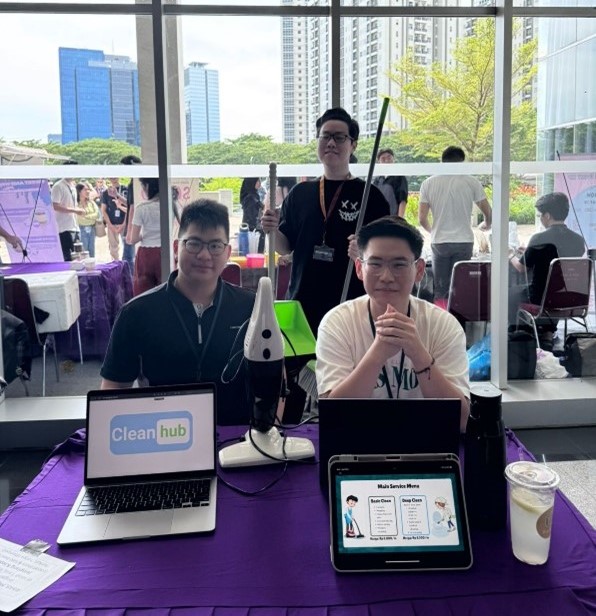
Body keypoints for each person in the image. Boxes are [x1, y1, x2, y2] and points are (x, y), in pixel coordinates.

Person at [101, 199, 255, 426]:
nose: (204, 255)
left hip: (237, 437)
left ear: (228, 252)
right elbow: (113, 389)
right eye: (194, 244)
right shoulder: (136, 313)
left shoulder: (251, 307)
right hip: (163, 437)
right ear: (176, 247)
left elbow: (274, 380)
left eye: (215, 246)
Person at [316, 216, 470, 430]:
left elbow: (461, 421)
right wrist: (377, 354)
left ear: (419, 270)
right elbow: (333, 419)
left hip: (427, 441)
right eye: (375, 264)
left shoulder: (443, 325)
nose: (386, 276)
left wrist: (418, 353)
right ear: (359, 268)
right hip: (357, 441)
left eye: (399, 265)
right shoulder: (337, 323)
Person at [261, 107, 390, 335]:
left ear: (353, 145)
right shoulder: (300, 193)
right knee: (302, 359)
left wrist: (364, 252)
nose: (331, 143)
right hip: (302, 305)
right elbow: (285, 247)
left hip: (351, 304)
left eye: (339, 137)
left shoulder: (370, 196)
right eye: (325, 136)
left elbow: (386, 252)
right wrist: (271, 231)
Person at [508, 192, 586, 347]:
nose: (541, 219)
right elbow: (558, 257)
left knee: (508, 295)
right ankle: (548, 332)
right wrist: (530, 251)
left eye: (540, 216)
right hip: (570, 298)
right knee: (553, 291)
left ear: (548, 215)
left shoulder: (539, 238)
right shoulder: (578, 240)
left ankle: (522, 335)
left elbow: (521, 268)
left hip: (540, 298)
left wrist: (510, 255)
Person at [418, 146, 492, 300]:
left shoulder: (428, 183)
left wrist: (433, 230)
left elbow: (422, 219)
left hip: (440, 241)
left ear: (442, 161)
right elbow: (488, 212)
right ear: (462, 161)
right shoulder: (471, 182)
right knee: (460, 287)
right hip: (464, 241)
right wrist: (486, 223)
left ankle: (441, 314)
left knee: (441, 289)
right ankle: (458, 315)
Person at [128, 177, 161, 296]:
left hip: (146, 253)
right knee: (166, 291)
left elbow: (133, 239)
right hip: (165, 251)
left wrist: (144, 235)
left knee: (143, 293)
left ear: (147, 187)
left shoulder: (142, 208)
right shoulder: (171, 205)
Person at [51, 163, 85, 261]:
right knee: (68, 258)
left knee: (78, 257)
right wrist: (75, 210)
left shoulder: (73, 186)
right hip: (64, 228)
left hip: (74, 226)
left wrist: (78, 210)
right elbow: (55, 205)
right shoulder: (58, 186)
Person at [120, 155, 142, 274]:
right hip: (136, 226)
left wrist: (129, 231)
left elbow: (133, 207)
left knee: (128, 259)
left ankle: (130, 281)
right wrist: (118, 196)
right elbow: (131, 204)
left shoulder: (134, 184)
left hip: (132, 226)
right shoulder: (139, 183)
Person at [373, 148, 408, 217]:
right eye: (383, 159)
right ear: (379, 162)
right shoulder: (377, 180)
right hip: (378, 218)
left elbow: (402, 200)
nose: (386, 161)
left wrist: (399, 219)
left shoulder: (399, 177)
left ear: (393, 159)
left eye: (389, 158)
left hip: (393, 218)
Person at [100, 177, 128, 261]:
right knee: (113, 248)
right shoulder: (106, 192)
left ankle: (126, 264)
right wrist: (110, 225)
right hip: (112, 223)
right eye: (111, 177)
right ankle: (116, 264)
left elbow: (130, 208)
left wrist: (124, 224)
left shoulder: (126, 189)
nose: (113, 179)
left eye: (115, 177)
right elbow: (103, 210)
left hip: (124, 223)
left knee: (127, 246)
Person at [240, 177, 265, 253]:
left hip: (251, 229)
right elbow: (252, 216)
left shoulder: (253, 195)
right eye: (258, 180)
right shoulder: (250, 198)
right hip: (252, 230)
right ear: (252, 182)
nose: (260, 182)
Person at [76, 182, 100, 258]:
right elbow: (79, 217)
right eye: (85, 190)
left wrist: (86, 216)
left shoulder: (91, 202)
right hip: (81, 230)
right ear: (79, 191)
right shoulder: (75, 203)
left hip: (92, 229)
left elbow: (97, 214)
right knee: (83, 253)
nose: (88, 191)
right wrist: (90, 216)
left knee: (92, 252)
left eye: (88, 189)